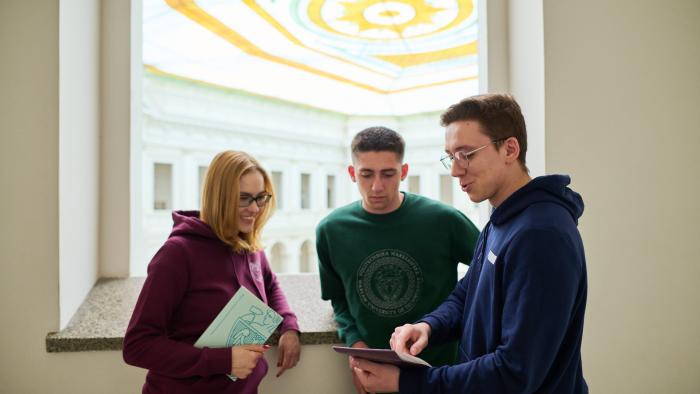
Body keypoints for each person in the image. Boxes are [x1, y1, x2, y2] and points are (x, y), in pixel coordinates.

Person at [350, 94, 588, 393]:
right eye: (450, 156)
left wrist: (405, 382)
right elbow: (469, 293)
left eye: (467, 154)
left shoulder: (541, 235)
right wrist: (429, 326)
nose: (454, 170)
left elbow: (515, 372)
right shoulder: (504, 218)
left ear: (509, 149)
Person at [316, 126, 480, 393]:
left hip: (440, 372)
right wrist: (356, 346)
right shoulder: (331, 231)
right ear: (351, 173)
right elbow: (339, 300)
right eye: (366, 174)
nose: (377, 186)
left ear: (403, 172)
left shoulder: (443, 220)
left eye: (388, 174)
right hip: (373, 372)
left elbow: (493, 272)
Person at [123, 150, 301, 393]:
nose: (255, 208)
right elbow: (138, 345)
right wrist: (224, 361)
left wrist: (289, 326)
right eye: (244, 198)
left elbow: (270, 285)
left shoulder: (247, 244)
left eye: (261, 198)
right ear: (219, 197)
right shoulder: (178, 254)